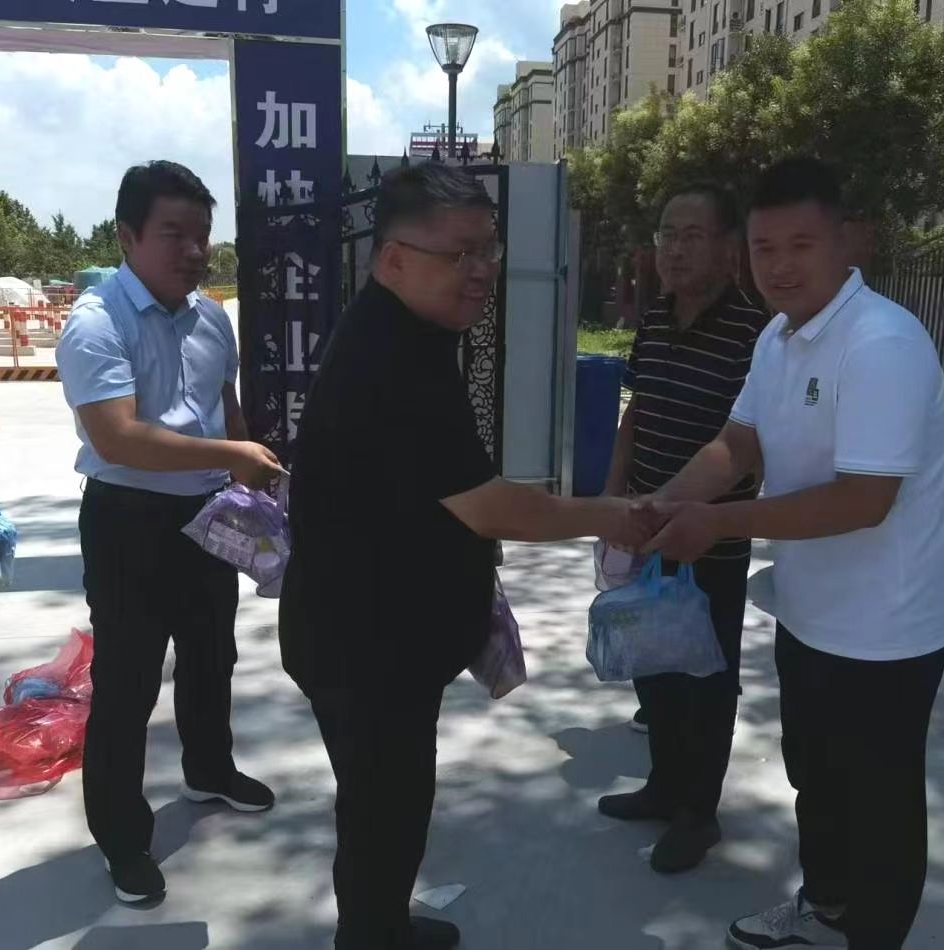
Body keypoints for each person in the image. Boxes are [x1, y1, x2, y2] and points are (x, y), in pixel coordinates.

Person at [280, 163, 655, 950]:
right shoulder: (394, 359)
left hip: (370, 631)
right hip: (366, 645)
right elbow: (492, 506)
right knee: (384, 810)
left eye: (488, 249)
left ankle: (380, 922)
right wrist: (612, 514)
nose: (482, 270)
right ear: (393, 259)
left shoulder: (408, 333)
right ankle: (371, 936)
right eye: (460, 254)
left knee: (383, 805)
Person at [641, 157, 944, 950]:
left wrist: (716, 524)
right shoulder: (778, 337)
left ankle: (871, 935)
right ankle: (825, 907)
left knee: (878, 803)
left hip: (887, 632)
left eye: (799, 245)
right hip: (808, 612)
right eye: (763, 248)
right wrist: (661, 505)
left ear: (844, 241)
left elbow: (862, 500)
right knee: (814, 777)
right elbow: (735, 444)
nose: (779, 266)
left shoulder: (881, 343)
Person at [57, 161, 286, 903]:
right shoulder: (97, 322)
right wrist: (232, 454)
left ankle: (209, 769)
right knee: (127, 683)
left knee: (212, 654)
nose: (193, 251)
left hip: (208, 515)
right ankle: (122, 838)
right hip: (128, 520)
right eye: (172, 234)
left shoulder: (211, 318)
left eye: (201, 235)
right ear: (127, 237)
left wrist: (247, 475)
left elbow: (226, 408)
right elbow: (118, 438)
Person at [599, 184, 767, 873]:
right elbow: (636, 413)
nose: (673, 249)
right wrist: (612, 497)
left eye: (691, 236)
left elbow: (747, 448)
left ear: (728, 250)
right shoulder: (656, 319)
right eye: (667, 234)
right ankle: (664, 785)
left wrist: (684, 508)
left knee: (705, 674)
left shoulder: (755, 334)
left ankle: (699, 813)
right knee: (653, 660)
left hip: (709, 537)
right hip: (643, 525)